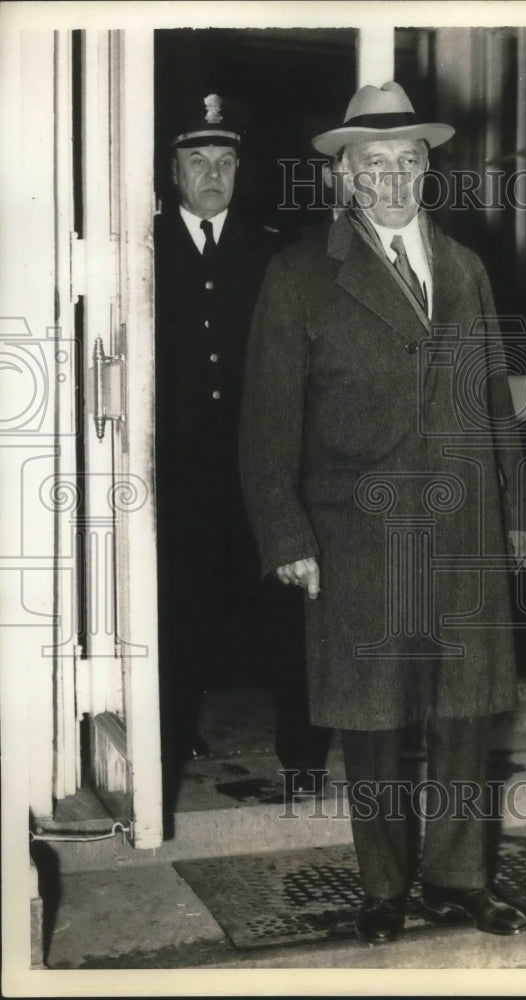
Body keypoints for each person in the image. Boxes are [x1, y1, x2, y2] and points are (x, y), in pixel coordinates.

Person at [239, 81, 526, 944]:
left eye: (409, 160)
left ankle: (457, 880)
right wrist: (287, 534)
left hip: (464, 525)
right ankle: (381, 888)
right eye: (375, 163)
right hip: (355, 529)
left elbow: (492, 400)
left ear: (425, 170)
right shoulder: (300, 273)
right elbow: (266, 421)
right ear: (343, 175)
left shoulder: (465, 267)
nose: (394, 176)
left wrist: (515, 509)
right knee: (372, 717)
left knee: (463, 713)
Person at [154, 92, 330, 788]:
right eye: (196, 160)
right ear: (173, 172)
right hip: (176, 467)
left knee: (284, 606)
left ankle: (303, 752)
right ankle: (164, 744)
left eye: (223, 160)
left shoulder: (272, 251)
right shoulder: (141, 248)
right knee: (176, 605)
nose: (211, 174)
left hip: (261, 460)